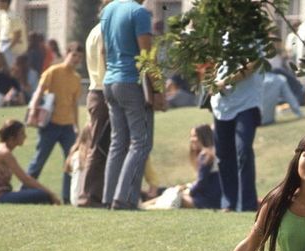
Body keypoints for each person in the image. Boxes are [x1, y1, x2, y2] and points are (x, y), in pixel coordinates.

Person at [101, 0, 154, 210]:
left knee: (118, 142)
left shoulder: (108, 10)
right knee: (141, 142)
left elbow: (104, 51)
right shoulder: (139, 12)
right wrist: (155, 90)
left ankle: (109, 196)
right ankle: (124, 199)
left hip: (110, 81)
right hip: (131, 82)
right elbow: (146, 57)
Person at [26, 42, 83, 203]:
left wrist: (76, 126)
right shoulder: (53, 71)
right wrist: (32, 111)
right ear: (67, 54)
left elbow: (74, 104)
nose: (76, 59)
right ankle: (24, 192)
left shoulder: (77, 78)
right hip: (50, 124)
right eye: (74, 55)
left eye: (79, 57)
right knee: (39, 159)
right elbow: (39, 91)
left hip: (67, 127)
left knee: (70, 162)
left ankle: (67, 197)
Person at [211, 53, 263, 212]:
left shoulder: (254, 33)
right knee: (224, 155)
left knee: (243, 151)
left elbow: (253, 64)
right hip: (221, 104)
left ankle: (247, 205)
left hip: (247, 102)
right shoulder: (218, 33)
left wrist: (225, 81)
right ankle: (228, 203)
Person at [142, 124, 221, 210]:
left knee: (174, 194)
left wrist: (189, 190)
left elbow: (202, 182)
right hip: (213, 198)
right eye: (191, 136)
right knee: (173, 191)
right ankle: (145, 205)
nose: (192, 140)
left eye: (195, 136)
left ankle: (145, 206)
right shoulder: (212, 154)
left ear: (204, 136)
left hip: (206, 200)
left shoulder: (205, 155)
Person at [78, 8, 111, 208]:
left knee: (100, 145)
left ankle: (95, 194)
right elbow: (105, 58)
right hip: (103, 91)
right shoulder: (106, 31)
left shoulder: (94, 31)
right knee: (99, 146)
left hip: (95, 90)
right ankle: (89, 195)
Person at [0, 119, 60, 204]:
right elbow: (25, 179)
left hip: (3, 194)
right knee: (42, 194)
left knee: (37, 192)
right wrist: (50, 193)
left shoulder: (2, 149)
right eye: (22, 133)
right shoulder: (5, 153)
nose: (25, 136)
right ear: (12, 137)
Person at [0, 0, 27, 68]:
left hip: (11, 49)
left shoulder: (14, 17)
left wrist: (6, 49)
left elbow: (17, 35)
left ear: (5, 3)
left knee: (8, 70)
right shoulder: (3, 14)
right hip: (3, 45)